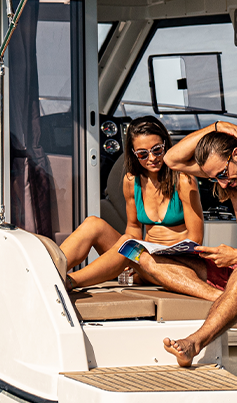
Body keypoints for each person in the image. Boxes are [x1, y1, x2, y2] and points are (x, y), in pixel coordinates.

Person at [134, 120, 237, 366]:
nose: (223, 184)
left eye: (223, 175)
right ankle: (225, 297)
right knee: (145, 258)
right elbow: (172, 160)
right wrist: (216, 127)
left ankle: (194, 343)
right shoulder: (231, 178)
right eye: (216, 179)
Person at [59, 116, 203, 289]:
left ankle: (69, 282)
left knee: (128, 244)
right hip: (143, 259)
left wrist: (140, 256)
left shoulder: (184, 181)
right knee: (93, 224)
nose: (152, 158)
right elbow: (134, 227)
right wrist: (131, 261)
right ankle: (48, 271)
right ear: (134, 155)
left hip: (175, 266)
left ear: (166, 145)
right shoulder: (131, 181)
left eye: (157, 150)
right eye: (143, 154)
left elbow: (195, 239)